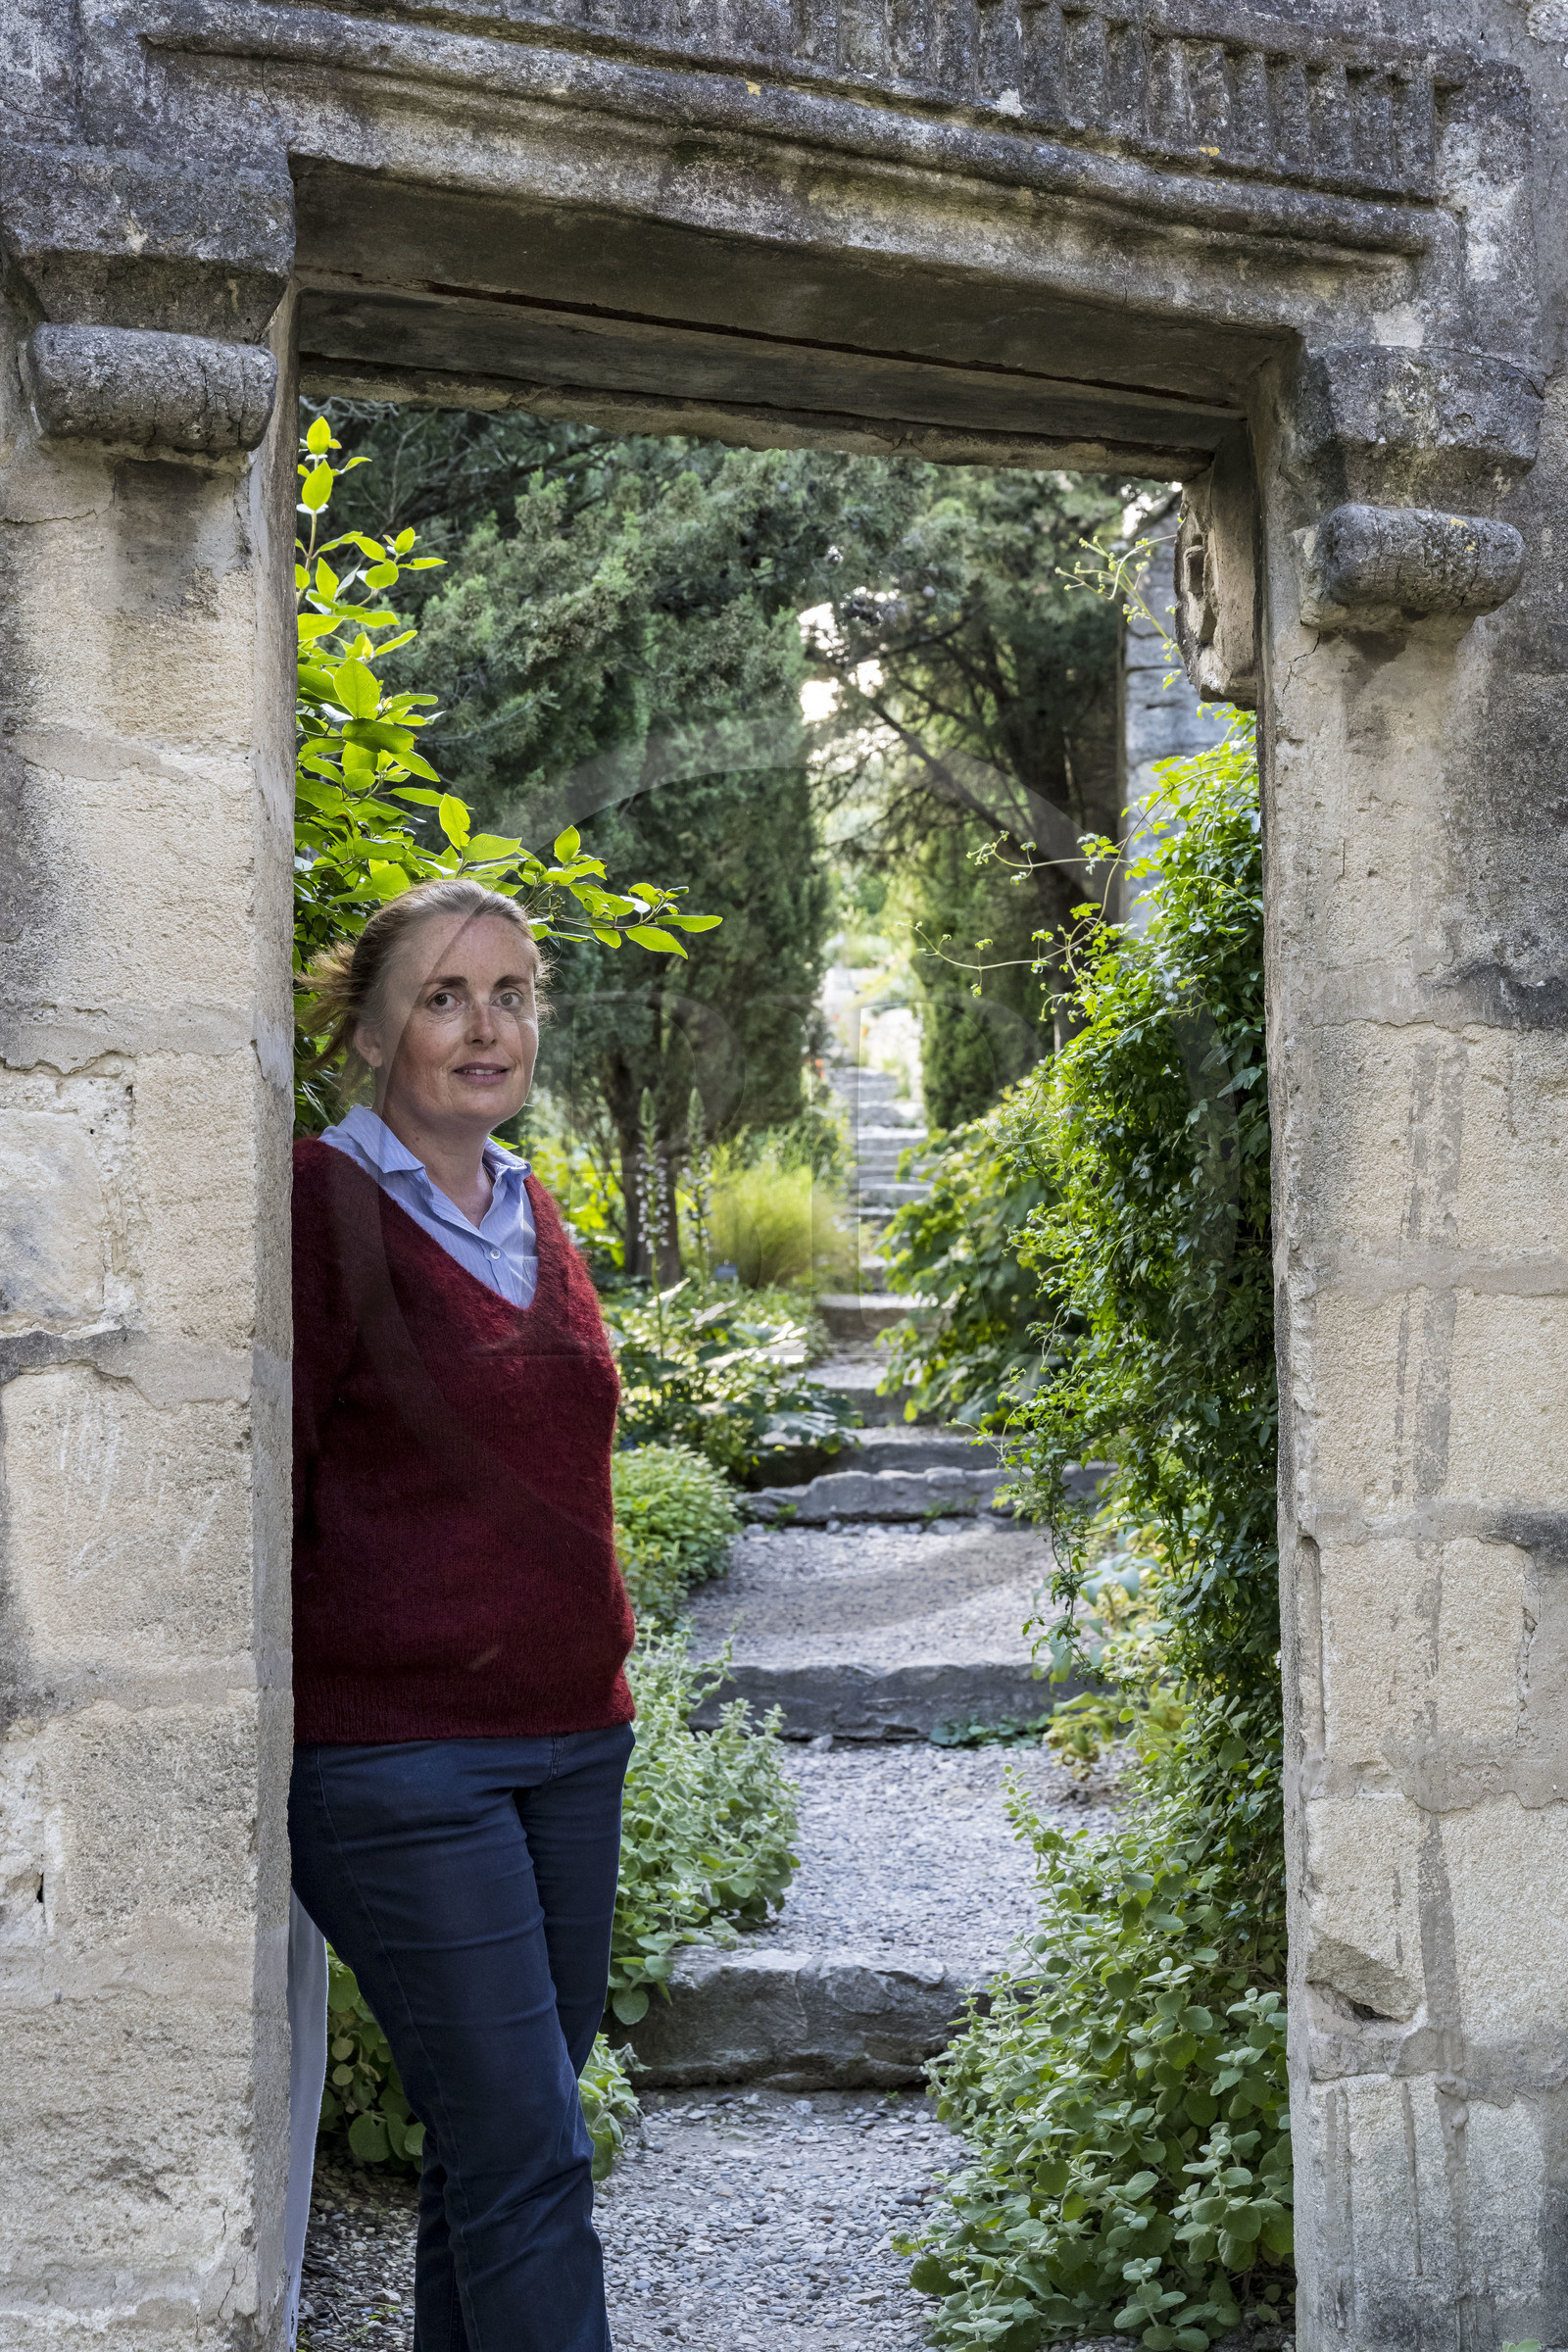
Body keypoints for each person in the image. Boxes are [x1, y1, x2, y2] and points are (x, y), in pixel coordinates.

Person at [286, 875, 635, 2352]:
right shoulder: (323, 1205)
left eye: (510, 995)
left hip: (573, 1748)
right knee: (534, 2157)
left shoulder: (529, 1205)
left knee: (496, 2161)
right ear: (369, 1032)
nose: (484, 1027)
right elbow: (271, 1475)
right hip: (403, 1766)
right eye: (441, 996)